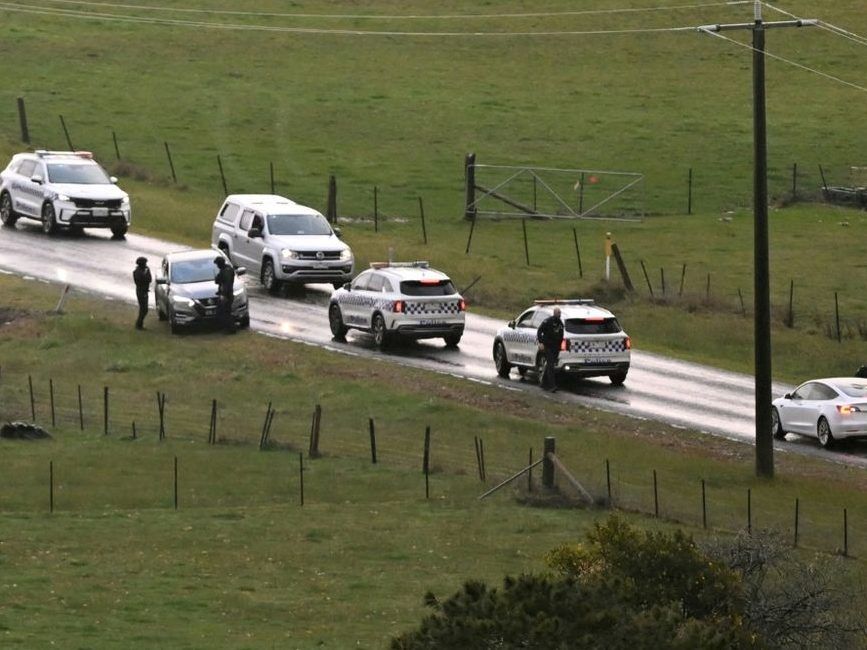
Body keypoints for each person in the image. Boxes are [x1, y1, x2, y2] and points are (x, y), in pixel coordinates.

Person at [536, 306, 564, 392]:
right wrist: (541, 342)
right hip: (548, 346)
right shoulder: (548, 321)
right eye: (558, 313)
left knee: (549, 365)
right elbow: (539, 331)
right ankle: (552, 386)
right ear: (554, 313)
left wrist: (559, 346)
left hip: (556, 348)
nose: (559, 315)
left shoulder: (560, 323)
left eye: (560, 313)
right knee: (551, 366)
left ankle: (543, 383)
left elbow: (561, 335)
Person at [214, 256, 237, 334]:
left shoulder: (226, 271)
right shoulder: (227, 269)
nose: (217, 266)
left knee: (224, 313)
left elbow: (226, 284)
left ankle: (231, 329)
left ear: (220, 264)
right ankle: (228, 328)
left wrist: (223, 295)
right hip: (228, 294)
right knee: (226, 312)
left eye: (217, 264)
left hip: (226, 295)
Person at [133, 256, 151, 330]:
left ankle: (139, 324)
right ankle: (139, 324)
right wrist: (145, 274)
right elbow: (141, 281)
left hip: (144, 291)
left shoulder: (146, 270)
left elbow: (150, 279)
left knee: (144, 309)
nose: (146, 265)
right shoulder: (137, 272)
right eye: (145, 263)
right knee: (144, 309)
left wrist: (146, 273)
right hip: (141, 291)